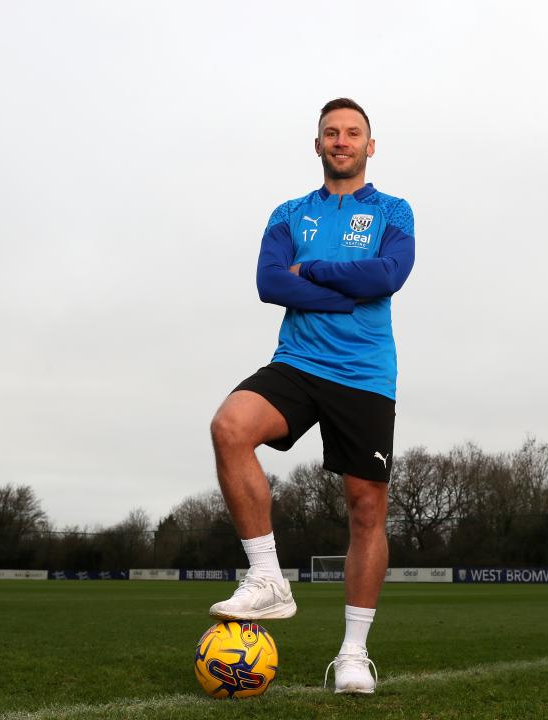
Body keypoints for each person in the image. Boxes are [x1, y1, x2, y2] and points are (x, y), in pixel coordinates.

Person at [208, 97, 415, 694]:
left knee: (366, 509)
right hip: (297, 362)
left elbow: (389, 276)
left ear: (369, 146)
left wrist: (313, 275)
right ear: (318, 143)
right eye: (331, 133)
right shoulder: (290, 212)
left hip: (364, 373)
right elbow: (269, 283)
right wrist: (346, 288)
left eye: (354, 133)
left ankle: (353, 655)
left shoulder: (394, 211)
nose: (342, 141)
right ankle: (269, 579)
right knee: (230, 427)